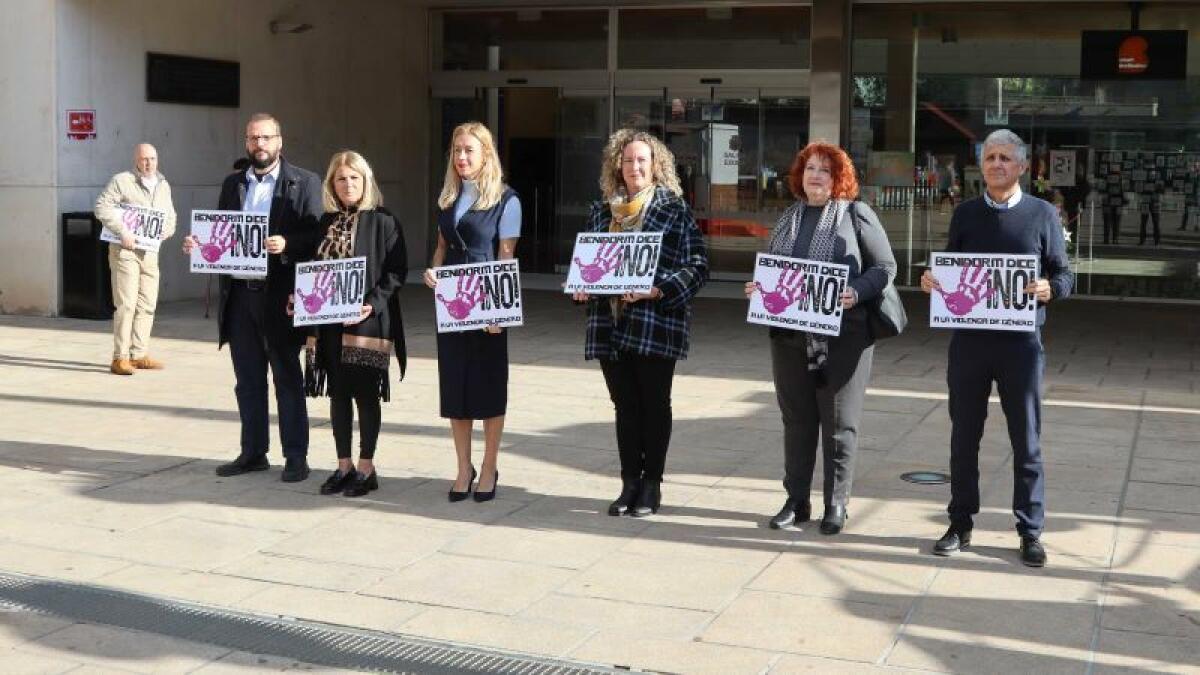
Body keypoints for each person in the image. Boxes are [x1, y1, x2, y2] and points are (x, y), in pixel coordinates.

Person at [920, 129, 1073, 567]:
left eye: (1006, 158)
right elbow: (950, 266)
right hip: (969, 345)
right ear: (981, 165)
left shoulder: (1043, 215)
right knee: (963, 438)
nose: (997, 164)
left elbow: (1065, 275)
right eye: (990, 158)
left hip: (1021, 347)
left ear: (1022, 166)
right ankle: (960, 523)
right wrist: (933, 282)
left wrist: (1050, 287)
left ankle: (1030, 531)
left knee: (1026, 440)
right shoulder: (965, 214)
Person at [744, 142, 897, 535]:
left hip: (844, 337)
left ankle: (837, 502)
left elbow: (885, 266)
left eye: (825, 170)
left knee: (840, 423)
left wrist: (856, 292)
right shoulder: (788, 218)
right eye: (810, 168)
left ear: (838, 178)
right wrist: (760, 290)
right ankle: (796, 500)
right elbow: (779, 273)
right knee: (796, 420)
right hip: (790, 337)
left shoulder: (856, 214)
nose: (815, 175)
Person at [572, 129, 708, 517]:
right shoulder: (602, 211)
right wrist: (582, 286)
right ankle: (629, 482)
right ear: (618, 164)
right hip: (608, 323)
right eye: (629, 160)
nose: (635, 167)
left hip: (655, 323)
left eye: (642, 161)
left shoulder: (673, 209)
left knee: (653, 404)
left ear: (656, 167)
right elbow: (590, 265)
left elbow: (698, 265)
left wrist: (658, 289)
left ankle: (652, 485)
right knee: (624, 406)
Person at [183, 113, 323, 482]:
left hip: (279, 294)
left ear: (280, 141)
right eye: (252, 138)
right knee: (247, 379)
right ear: (246, 143)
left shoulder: (304, 182)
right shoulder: (233, 184)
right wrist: (199, 245)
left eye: (266, 138)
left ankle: (296, 456)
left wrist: (288, 243)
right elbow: (222, 233)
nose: (259, 145)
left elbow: (317, 235)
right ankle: (253, 452)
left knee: (286, 377)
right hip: (241, 295)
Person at [423, 122, 521, 503]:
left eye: (469, 151)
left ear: (485, 155)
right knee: (456, 389)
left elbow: (506, 255)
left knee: (489, 389)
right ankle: (463, 467)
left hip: (488, 309)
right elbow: (441, 249)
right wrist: (433, 270)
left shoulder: (506, 200)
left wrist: (498, 312)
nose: (462, 157)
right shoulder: (448, 198)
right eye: (457, 151)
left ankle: (489, 464)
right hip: (451, 307)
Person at [300, 151, 407, 497]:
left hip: (366, 323)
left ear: (366, 181)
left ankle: (366, 467)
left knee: (364, 394)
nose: (348, 185)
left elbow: (396, 272)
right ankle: (343, 465)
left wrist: (370, 305)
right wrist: (298, 298)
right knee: (338, 394)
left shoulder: (384, 221)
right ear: (333, 183)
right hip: (328, 323)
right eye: (341, 179)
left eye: (355, 178)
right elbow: (311, 270)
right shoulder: (324, 222)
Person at [94, 143, 177, 375]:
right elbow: (101, 207)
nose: (148, 163)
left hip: (150, 252)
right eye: (143, 159)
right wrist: (122, 231)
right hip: (125, 251)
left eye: (152, 158)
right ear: (136, 160)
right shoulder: (122, 181)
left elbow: (170, 216)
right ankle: (120, 357)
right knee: (126, 304)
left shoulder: (163, 185)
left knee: (147, 304)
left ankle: (139, 353)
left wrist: (165, 231)